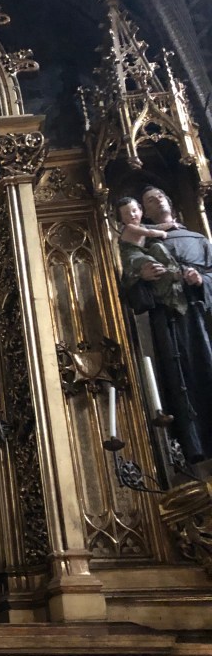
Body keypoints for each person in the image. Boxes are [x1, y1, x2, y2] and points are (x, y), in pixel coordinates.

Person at [119, 187, 212, 462]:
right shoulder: (142, 239)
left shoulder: (198, 238)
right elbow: (128, 278)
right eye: (149, 200)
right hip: (170, 318)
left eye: (160, 195)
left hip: (201, 312)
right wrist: (143, 275)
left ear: (169, 201)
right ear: (144, 212)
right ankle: (193, 446)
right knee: (182, 377)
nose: (157, 200)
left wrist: (201, 281)